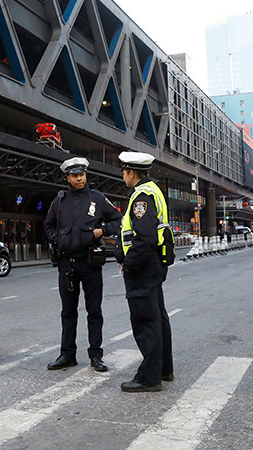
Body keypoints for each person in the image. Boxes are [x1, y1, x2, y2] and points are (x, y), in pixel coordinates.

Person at [44, 157, 122, 372]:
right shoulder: (59, 201)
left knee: (94, 311)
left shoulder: (97, 198)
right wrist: (58, 239)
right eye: (74, 176)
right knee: (68, 312)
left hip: (90, 263)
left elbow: (118, 220)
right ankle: (67, 355)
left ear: (85, 175)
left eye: (82, 175)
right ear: (67, 178)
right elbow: (48, 226)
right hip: (66, 263)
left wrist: (101, 231)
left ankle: (96, 355)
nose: (79, 179)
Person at [115, 151, 173, 392]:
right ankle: (164, 369)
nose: (123, 176)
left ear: (131, 172)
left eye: (124, 172)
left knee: (145, 320)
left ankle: (149, 377)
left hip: (143, 268)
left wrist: (128, 263)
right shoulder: (154, 191)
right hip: (153, 265)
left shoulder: (141, 197)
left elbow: (145, 238)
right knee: (157, 318)